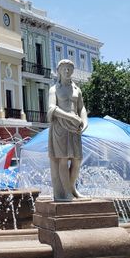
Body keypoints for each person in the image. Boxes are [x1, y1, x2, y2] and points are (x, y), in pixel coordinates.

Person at [47, 59, 87, 201]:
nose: (66, 71)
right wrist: (69, 116)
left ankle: (72, 189)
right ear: (58, 71)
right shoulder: (54, 89)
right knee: (63, 159)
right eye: (64, 68)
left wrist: (85, 121)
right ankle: (66, 192)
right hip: (60, 127)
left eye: (69, 68)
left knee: (77, 160)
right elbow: (51, 108)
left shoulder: (77, 89)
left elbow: (81, 108)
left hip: (75, 128)